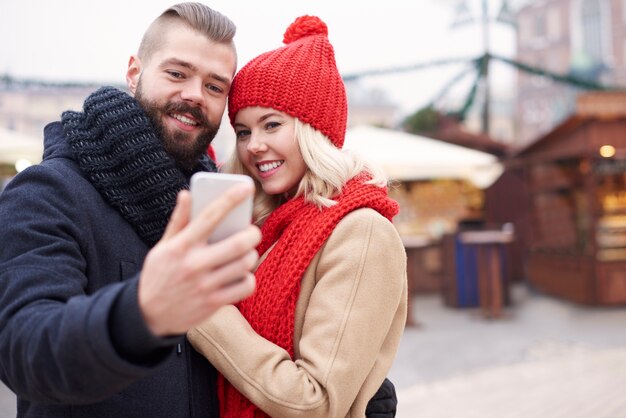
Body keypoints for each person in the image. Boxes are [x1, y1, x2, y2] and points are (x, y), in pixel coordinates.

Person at [0, 3, 397, 418]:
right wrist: (142, 312)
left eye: (214, 86)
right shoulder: (50, 192)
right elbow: (23, 349)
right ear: (134, 72)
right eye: (177, 73)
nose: (193, 94)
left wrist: (367, 391)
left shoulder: (224, 205)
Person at [187, 15, 408, 418]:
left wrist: (200, 309)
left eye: (272, 124)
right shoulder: (268, 226)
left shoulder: (361, 231)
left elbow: (315, 401)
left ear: (314, 130)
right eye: (243, 131)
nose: (254, 146)